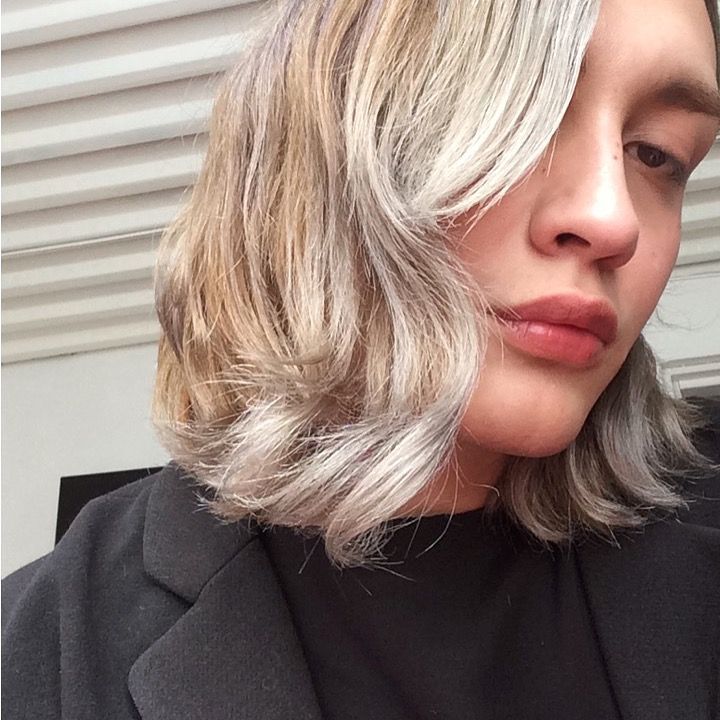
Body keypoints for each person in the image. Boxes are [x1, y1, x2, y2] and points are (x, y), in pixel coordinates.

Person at [3, 0, 720, 717]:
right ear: (303, 163)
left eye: (658, 154)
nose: (613, 220)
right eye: (514, 113)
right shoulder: (38, 649)